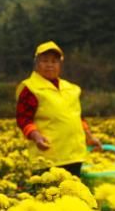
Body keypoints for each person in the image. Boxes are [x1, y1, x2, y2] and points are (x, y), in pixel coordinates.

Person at [16, 41, 102, 176]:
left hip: (75, 155)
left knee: (74, 196)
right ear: (36, 63)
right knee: (47, 196)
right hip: (48, 156)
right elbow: (23, 118)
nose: (49, 65)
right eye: (45, 61)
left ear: (60, 65)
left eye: (54, 61)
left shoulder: (71, 88)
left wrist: (89, 137)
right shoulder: (30, 88)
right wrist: (36, 136)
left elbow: (77, 117)